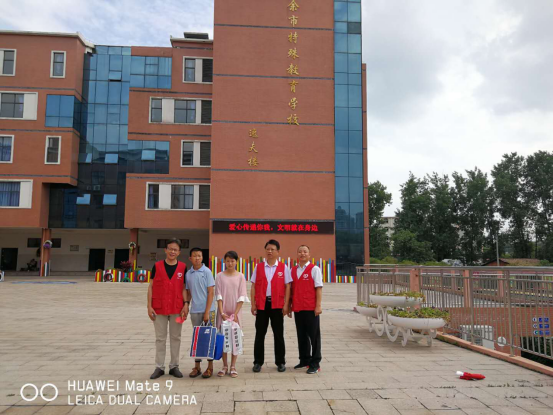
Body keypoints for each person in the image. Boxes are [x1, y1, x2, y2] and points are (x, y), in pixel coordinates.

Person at [147, 238, 188, 379]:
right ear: (165, 250)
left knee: (176, 337)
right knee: (160, 338)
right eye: (170, 249)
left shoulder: (183, 267)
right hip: (159, 309)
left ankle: (174, 366)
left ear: (179, 252)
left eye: (175, 250)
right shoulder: (157, 266)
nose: (172, 251)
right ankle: (159, 367)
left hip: (177, 309)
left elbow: (184, 287)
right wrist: (149, 306)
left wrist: (186, 304)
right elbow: (151, 287)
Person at [250, 239, 292, 373]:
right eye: (267, 249)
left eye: (272, 249)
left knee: (278, 334)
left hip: (277, 305)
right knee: (259, 334)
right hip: (262, 305)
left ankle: (280, 362)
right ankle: (258, 362)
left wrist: (286, 304)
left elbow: (288, 286)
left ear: (278, 252)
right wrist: (253, 304)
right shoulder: (259, 267)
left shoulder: (283, 267)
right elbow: (253, 286)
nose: (270, 251)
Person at [290, 245, 323, 374]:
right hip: (298, 307)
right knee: (301, 335)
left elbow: (318, 288)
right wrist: (289, 306)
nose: (302, 253)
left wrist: (318, 305)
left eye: (305, 251)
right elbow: (291, 289)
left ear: (309, 254)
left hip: (310, 307)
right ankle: (304, 360)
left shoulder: (314, 269)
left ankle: (315, 363)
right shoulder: (293, 270)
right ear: (297, 254)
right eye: (300, 251)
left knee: (314, 336)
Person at [215, 251, 248, 378]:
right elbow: (218, 295)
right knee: (223, 339)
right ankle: (224, 365)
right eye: (228, 261)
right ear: (224, 261)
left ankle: (233, 366)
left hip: (236, 314)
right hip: (222, 313)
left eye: (232, 261)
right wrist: (222, 313)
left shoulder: (240, 276)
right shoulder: (219, 276)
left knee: (235, 338)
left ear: (236, 262)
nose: (230, 263)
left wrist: (235, 313)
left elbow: (242, 296)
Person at [185, 247, 216, 378]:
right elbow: (188, 292)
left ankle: (210, 367)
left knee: (209, 338)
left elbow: (211, 292)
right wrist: (186, 305)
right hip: (195, 311)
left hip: (209, 311)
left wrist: (207, 312)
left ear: (202, 258)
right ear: (190, 258)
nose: (197, 258)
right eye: (195, 256)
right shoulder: (188, 274)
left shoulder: (207, 272)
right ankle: (197, 367)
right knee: (197, 339)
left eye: (199, 256)